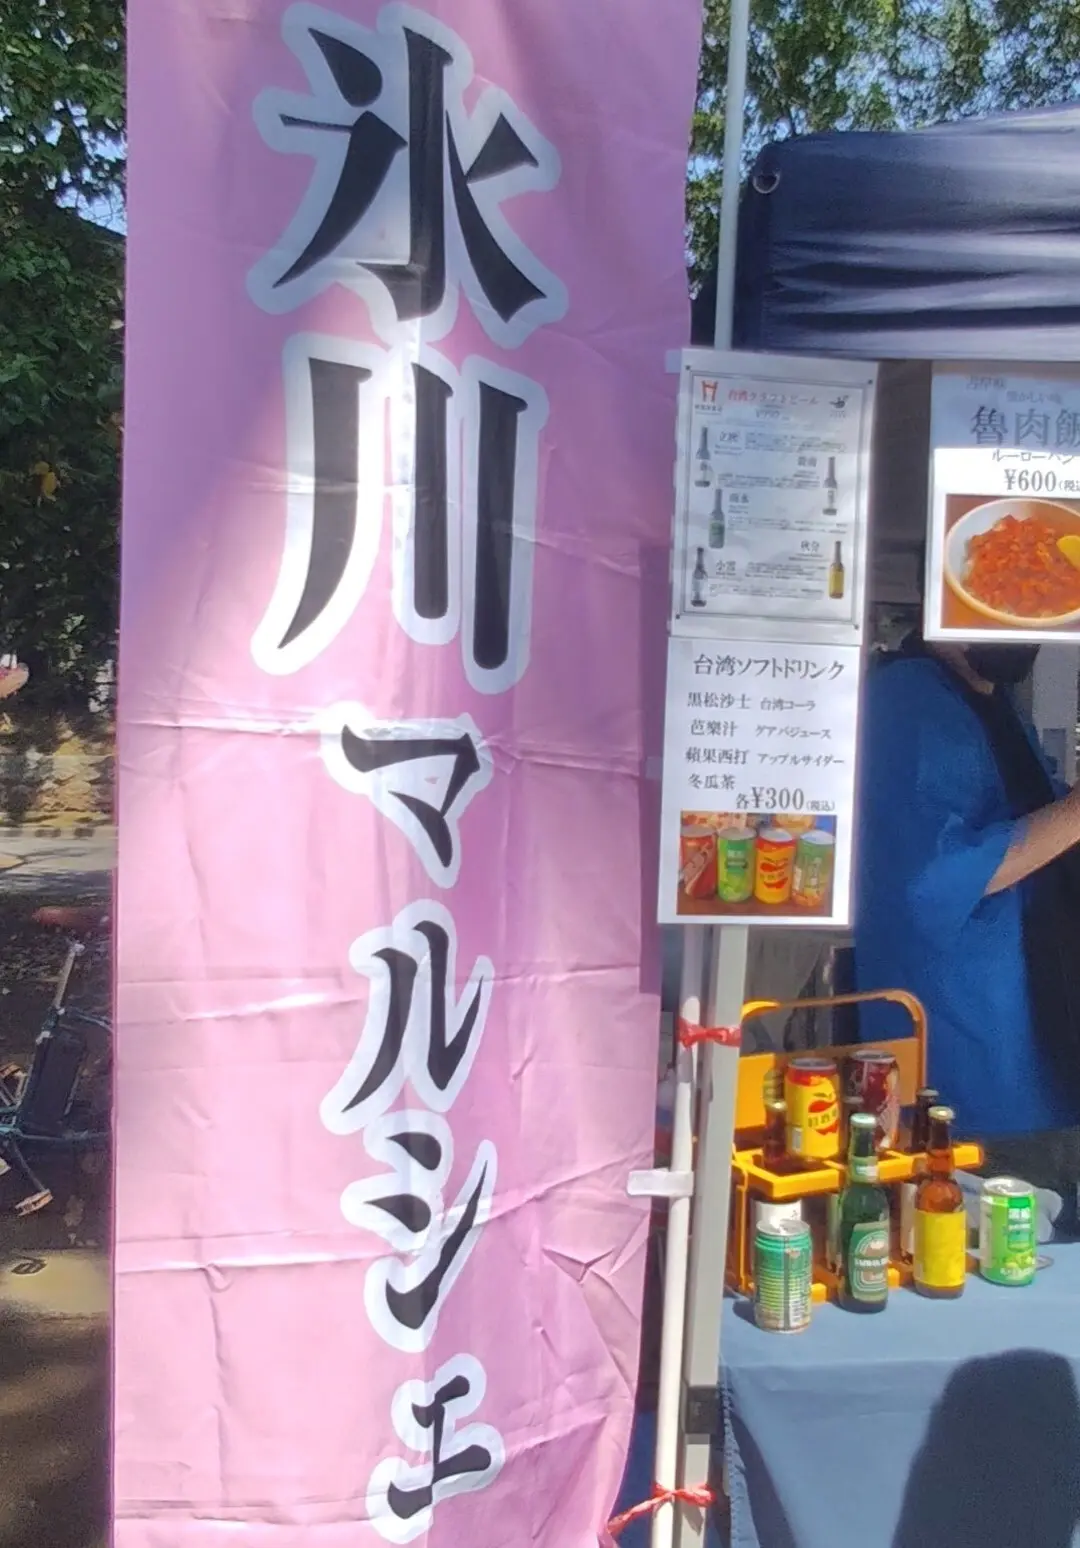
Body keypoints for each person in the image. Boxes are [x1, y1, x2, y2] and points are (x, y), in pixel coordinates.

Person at [854, 633, 1080, 1217]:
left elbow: (1049, 833)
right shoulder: (906, 701)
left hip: (1038, 1067)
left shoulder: (992, 703)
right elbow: (936, 878)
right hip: (972, 1082)